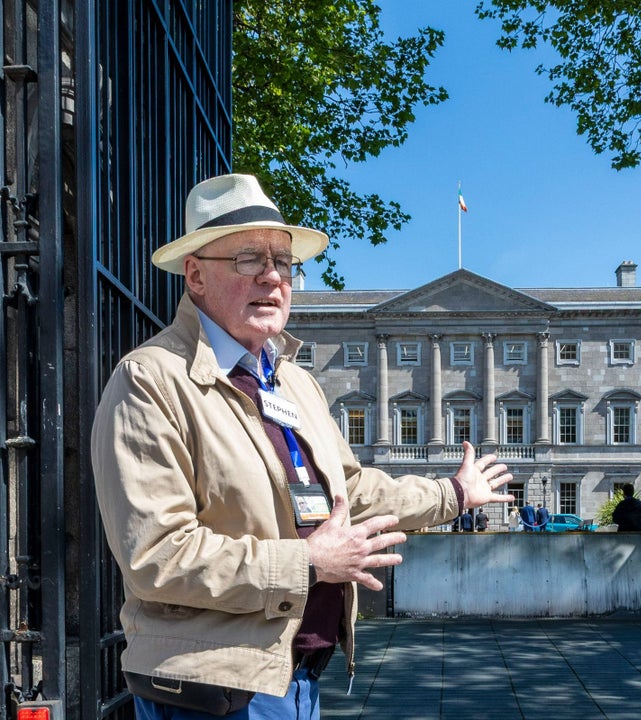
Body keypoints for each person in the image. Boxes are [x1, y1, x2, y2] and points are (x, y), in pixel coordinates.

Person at [90, 173, 513, 720]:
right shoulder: (150, 379)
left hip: (296, 677)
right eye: (247, 259)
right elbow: (156, 556)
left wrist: (453, 493)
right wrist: (307, 562)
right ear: (195, 275)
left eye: (283, 262)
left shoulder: (292, 382)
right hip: (215, 690)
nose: (272, 277)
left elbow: (351, 490)